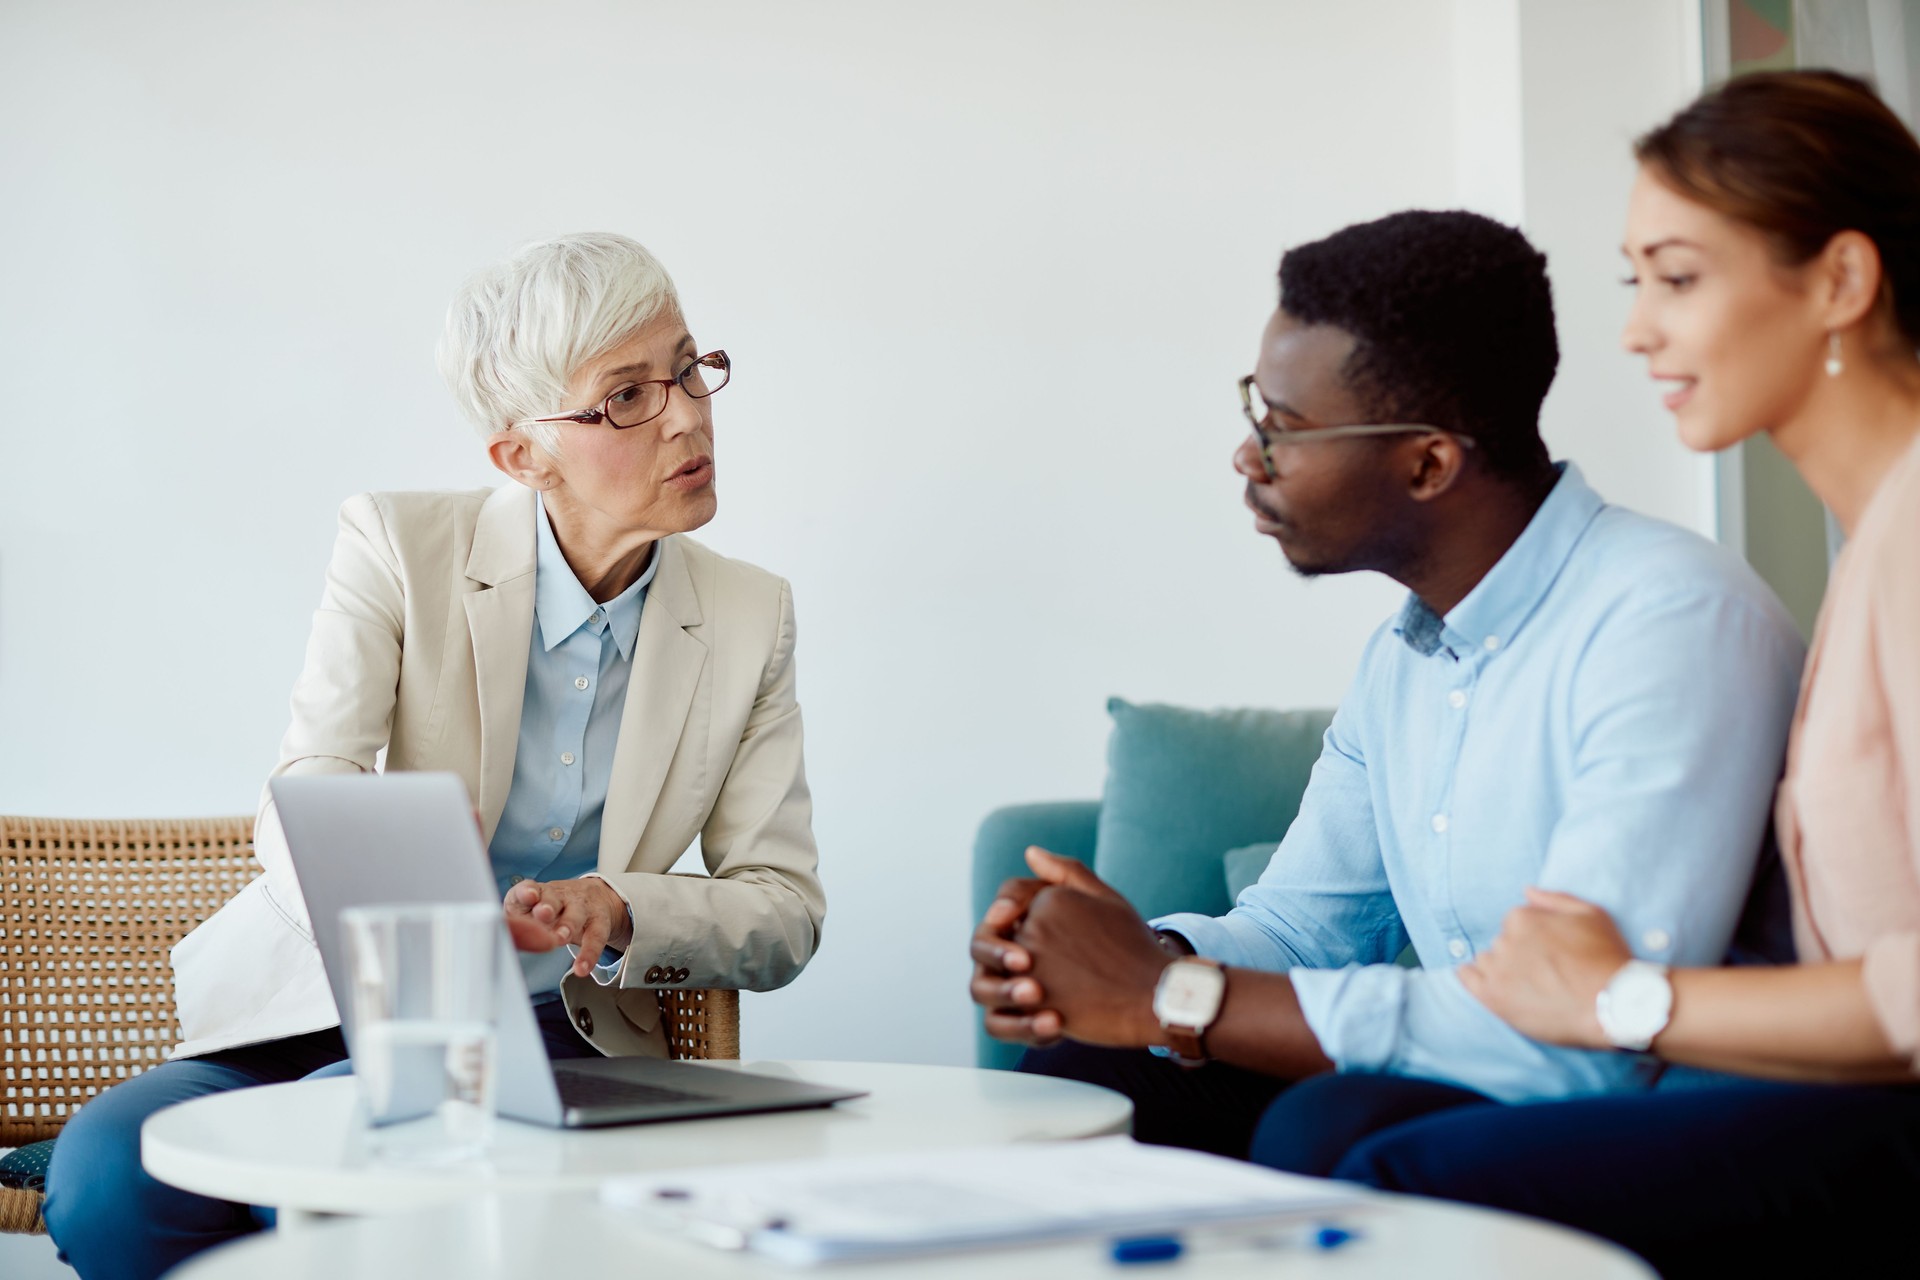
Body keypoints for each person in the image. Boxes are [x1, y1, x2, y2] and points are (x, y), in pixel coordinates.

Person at [43, 232, 827, 1280]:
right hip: (323, 1006)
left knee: (354, 1151)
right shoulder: (394, 545)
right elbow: (308, 778)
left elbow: (783, 906)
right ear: (522, 455)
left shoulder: (748, 614)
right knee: (104, 1174)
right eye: (627, 396)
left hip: (554, 1037)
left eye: (689, 369)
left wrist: (623, 904)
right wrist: (399, 858)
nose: (687, 413)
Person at [1245, 71, 1920, 1279]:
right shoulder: (1875, 541)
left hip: (1881, 1104)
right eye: (1634, 281)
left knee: (1384, 1167)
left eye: (1679, 276)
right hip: (1832, 1081)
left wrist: (1624, 1000)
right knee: (1334, 1136)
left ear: (1840, 281)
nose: (1635, 330)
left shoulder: (1870, 549)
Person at [968, 210, 1807, 1163]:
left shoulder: (1670, 621)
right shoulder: (1405, 658)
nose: (1248, 457)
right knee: (1092, 1071)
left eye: (1281, 429)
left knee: (1324, 1123)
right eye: (1254, 410)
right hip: (1488, 1079)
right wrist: (1132, 961)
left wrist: (1169, 997)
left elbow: (1590, 1041)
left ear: (1428, 462)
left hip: (1664, 1107)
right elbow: (1302, 928)